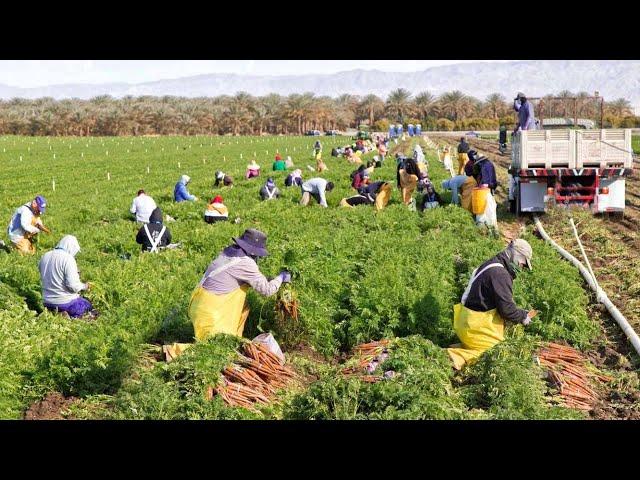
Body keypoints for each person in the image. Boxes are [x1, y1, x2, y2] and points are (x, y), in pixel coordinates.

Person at [164, 229, 291, 361]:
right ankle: (173, 352)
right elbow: (267, 290)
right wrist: (281, 277)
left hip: (200, 304)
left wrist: (271, 279)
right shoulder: (246, 263)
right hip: (211, 312)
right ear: (253, 251)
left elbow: (246, 279)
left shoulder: (229, 252)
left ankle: (233, 349)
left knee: (226, 346)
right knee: (214, 350)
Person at [447, 239, 537, 370]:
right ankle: (450, 356)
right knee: (493, 354)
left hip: (466, 321)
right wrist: (523, 316)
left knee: (492, 348)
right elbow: (506, 310)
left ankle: (467, 346)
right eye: (523, 264)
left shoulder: (493, 264)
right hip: (474, 326)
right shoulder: (500, 274)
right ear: (516, 255)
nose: (521, 269)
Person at [39, 235, 95, 319]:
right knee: (88, 306)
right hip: (65, 302)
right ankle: (68, 315)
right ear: (71, 247)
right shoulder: (68, 258)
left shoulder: (45, 256)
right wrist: (85, 286)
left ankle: (54, 313)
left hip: (47, 302)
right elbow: (73, 286)